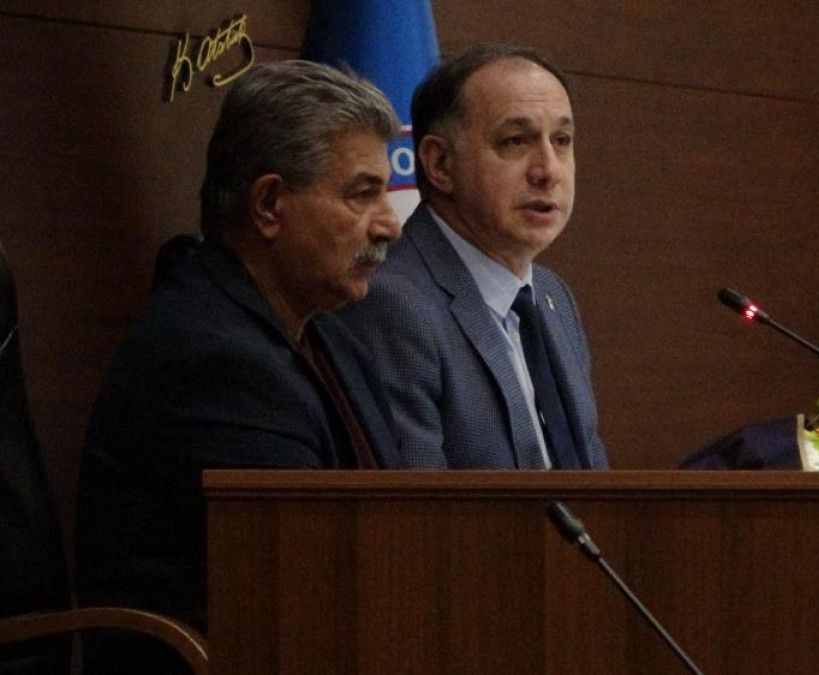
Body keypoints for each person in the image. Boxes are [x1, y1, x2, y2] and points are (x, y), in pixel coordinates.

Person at [74, 60, 437, 673]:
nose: (391, 226)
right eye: (362, 194)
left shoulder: (327, 332)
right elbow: (304, 591)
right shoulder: (214, 361)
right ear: (270, 204)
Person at [340, 45, 608, 470]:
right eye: (515, 141)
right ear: (439, 164)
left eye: (561, 140)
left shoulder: (553, 297)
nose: (548, 170)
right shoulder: (393, 305)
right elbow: (420, 504)